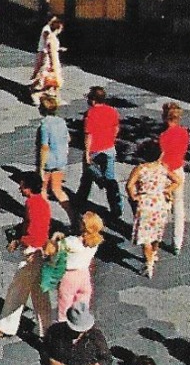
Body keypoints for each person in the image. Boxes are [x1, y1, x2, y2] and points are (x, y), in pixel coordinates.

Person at [0, 175, 55, 339]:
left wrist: (18, 241)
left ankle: (5, 327)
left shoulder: (32, 204)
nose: (19, 189)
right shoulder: (42, 202)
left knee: (17, 290)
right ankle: (47, 329)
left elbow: (33, 233)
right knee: (39, 292)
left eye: (22, 186)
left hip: (32, 253)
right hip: (41, 250)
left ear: (29, 188)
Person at [126, 139, 181, 278]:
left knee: (145, 237)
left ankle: (149, 264)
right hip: (160, 203)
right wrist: (167, 189)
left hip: (145, 204)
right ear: (160, 154)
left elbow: (129, 185)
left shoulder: (140, 169)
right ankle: (154, 253)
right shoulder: (163, 167)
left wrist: (134, 196)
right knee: (157, 232)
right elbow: (177, 180)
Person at [75, 86, 124, 224]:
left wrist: (86, 154)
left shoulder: (90, 114)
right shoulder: (112, 111)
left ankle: (80, 201)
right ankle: (116, 208)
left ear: (94, 100)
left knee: (87, 177)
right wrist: (111, 140)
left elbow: (88, 136)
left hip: (95, 151)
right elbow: (116, 128)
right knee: (111, 180)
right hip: (109, 149)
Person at [56, 211, 104, 324]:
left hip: (69, 276)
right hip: (84, 274)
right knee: (82, 304)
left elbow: (55, 250)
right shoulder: (95, 243)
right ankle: (80, 325)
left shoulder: (71, 242)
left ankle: (63, 327)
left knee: (65, 305)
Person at [158, 103, 190, 254]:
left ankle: (155, 237)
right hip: (178, 171)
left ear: (165, 117)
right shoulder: (184, 133)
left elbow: (161, 158)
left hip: (166, 173)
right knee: (178, 206)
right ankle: (177, 243)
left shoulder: (163, 136)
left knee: (162, 206)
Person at [35, 93, 73, 220]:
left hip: (48, 162)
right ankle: (73, 217)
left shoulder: (44, 125)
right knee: (58, 189)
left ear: (42, 109)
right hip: (60, 160)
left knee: (43, 190)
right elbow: (68, 139)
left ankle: (44, 218)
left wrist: (40, 167)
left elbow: (44, 147)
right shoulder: (61, 122)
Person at [30, 15, 64, 97]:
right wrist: (53, 64)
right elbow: (50, 48)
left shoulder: (51, 35)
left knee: (46, 74)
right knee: (47, 74)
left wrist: (58, 49)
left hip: (47, 55)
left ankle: (41, 89)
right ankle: (38, 91)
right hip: (46, 55)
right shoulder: (48, 32)